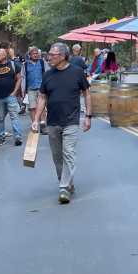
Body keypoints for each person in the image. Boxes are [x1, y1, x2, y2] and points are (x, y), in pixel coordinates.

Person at [31, 42, 92, 205]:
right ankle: (66, 182)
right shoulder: (48, 75)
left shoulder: (77, 72)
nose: (49, 57)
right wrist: (36, 119)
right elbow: (42, 97)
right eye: (49, 54)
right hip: (52, 121)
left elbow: (86, 93)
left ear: (63, 56)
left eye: (53, 54)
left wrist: (88, 116)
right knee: (57, 157)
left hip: (71, 120)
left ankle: (64, 187)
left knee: (68, 152)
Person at [0, 48, 23, 147]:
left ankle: (18, 137)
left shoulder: (14, 65)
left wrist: (15, 92)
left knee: (14, 116)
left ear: (4, 56)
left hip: (11, 96)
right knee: (0, 118)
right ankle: (0, 138)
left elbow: (19, 79)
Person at [24, 46, 47, 133]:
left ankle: (43, 125)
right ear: (29, 55)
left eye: (37, 53)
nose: (35, 55)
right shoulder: (25, 65)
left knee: (42, 107)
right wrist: (23, 90)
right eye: (34, 53)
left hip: (41, 89)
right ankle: (35, 125)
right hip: (30, 89)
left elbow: (47, 74)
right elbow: (23, 78)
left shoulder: (42, 62)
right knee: (32, 108)